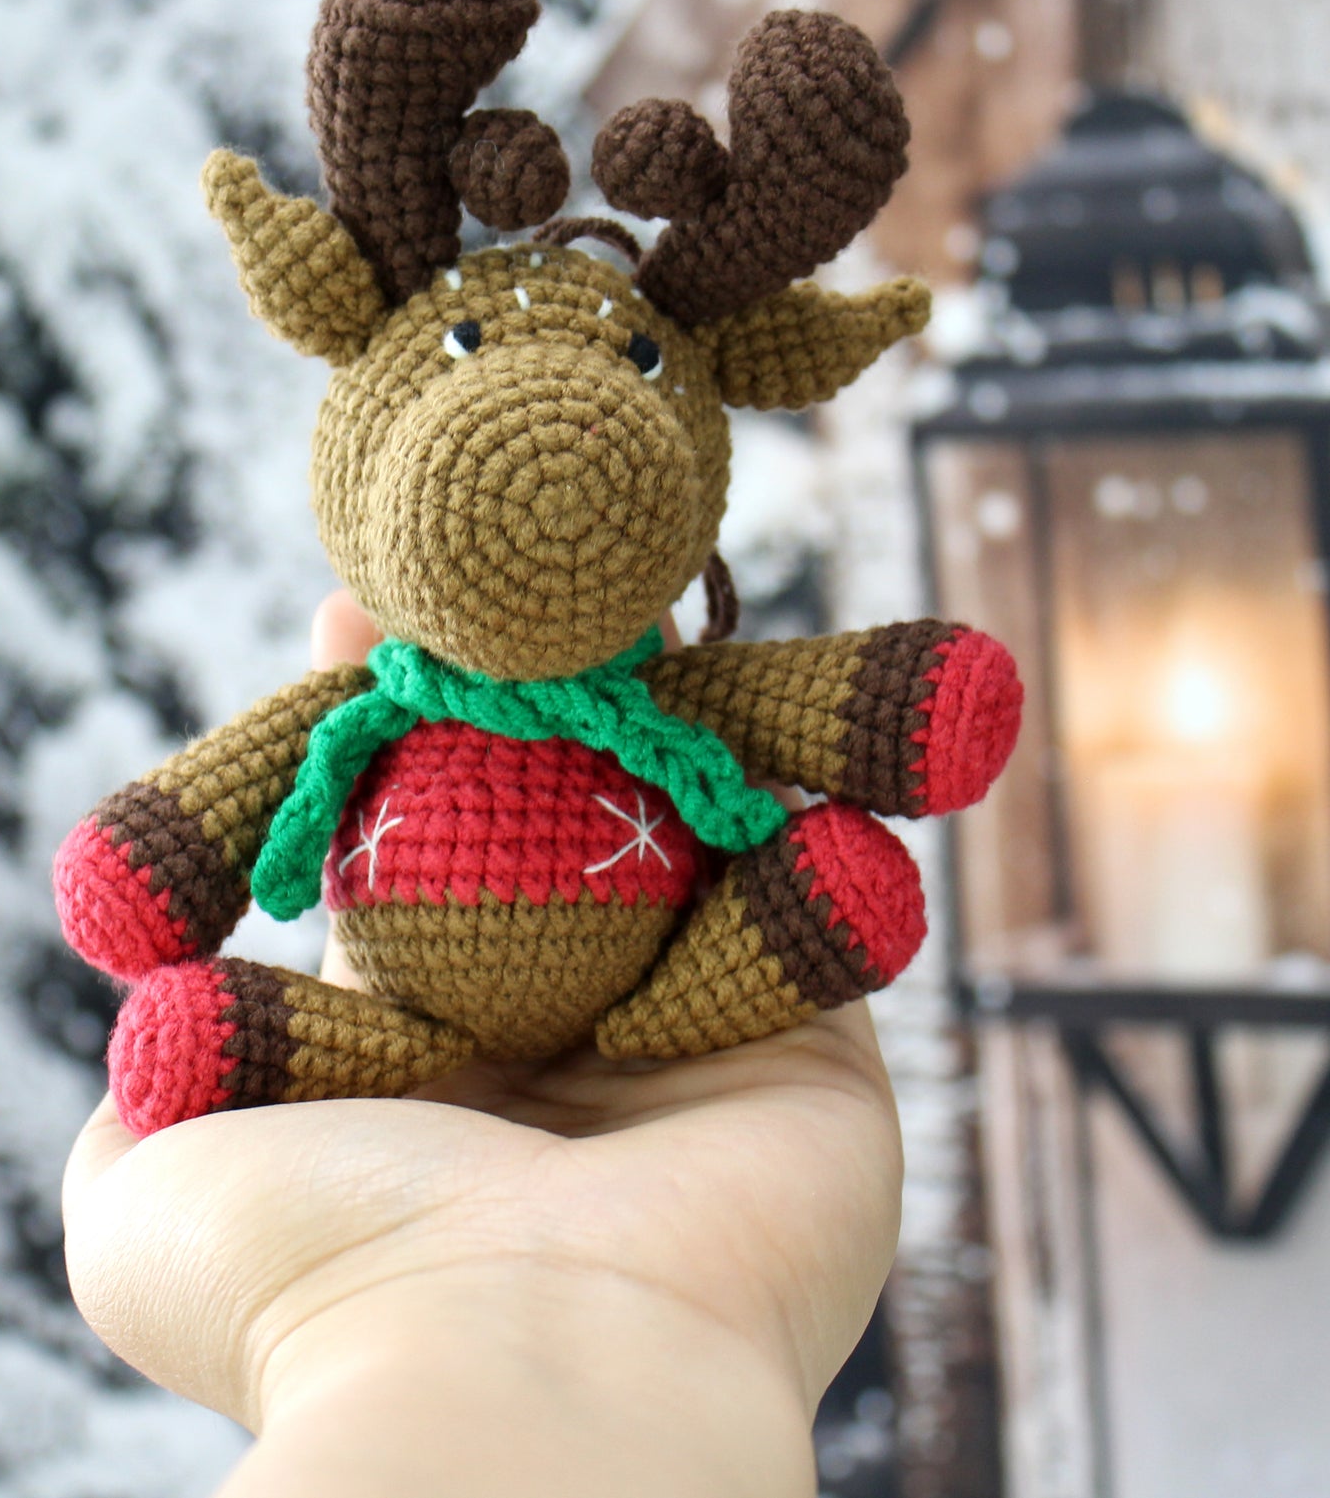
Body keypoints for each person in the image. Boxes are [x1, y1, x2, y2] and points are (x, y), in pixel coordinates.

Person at [60, 593, 906, 1497]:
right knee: (225, 1042)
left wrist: (336, 1297)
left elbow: (838, 707)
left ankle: (753, 951)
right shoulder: (382, 698)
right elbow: (156, 855)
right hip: (409, 1031)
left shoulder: (660, 697)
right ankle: (233, 1038)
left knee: (834, 892)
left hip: (654, 999)